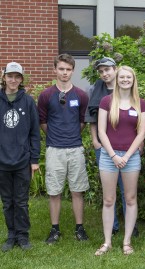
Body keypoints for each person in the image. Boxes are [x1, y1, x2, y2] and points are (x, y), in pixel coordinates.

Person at [94, 66, 145, 256]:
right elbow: (101, 131)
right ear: (117, 79)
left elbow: (141, 133)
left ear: (133, 80)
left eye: (128, 77)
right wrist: (114, 156)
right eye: (122, 77)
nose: (125, 80)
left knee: (130, 199)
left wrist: (125, 156)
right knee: (108, 200)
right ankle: (107, 242)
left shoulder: (140, 103)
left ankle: (127, 241)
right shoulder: (106, 101)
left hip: (131, 157)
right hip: (109, 157)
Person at [38, 54, 90, 244]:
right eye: (61, 69)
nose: (65, 73)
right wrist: (55, 136)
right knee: (54, 191)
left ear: (73, 71)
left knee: (77, 191)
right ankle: (54, 229)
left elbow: (83, 121)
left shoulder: (81, 95)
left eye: (68, 69)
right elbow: (42, 121)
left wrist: (71, 135)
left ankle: (79, 228)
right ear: (55, 70)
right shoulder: (46, 95)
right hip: (54, 150)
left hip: (75, 148)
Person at [85, 57, 138, 237]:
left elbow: (138, 124)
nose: (104, 74)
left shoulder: (134, 96)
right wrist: (95, 140)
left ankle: (131, 225)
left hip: (129, 150)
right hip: (105, 147)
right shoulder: (96, 91)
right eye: (101, 71)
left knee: (127, 190)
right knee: (109, 192)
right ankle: (113, 226)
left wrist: (140, 145)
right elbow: (93, 119)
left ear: (115, 70)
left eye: (107, 70)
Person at [0, 62, 40, 251]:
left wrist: (34, 160)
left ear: (21, 79)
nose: (13, 80)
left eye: (17, 77)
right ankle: (11, 235)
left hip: (22, 160)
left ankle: (23, 236)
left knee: (21, 201)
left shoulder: (28, 101)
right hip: (2, 162)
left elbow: (34, 133)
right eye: (10, 76)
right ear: (4, 77)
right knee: (7, 201)